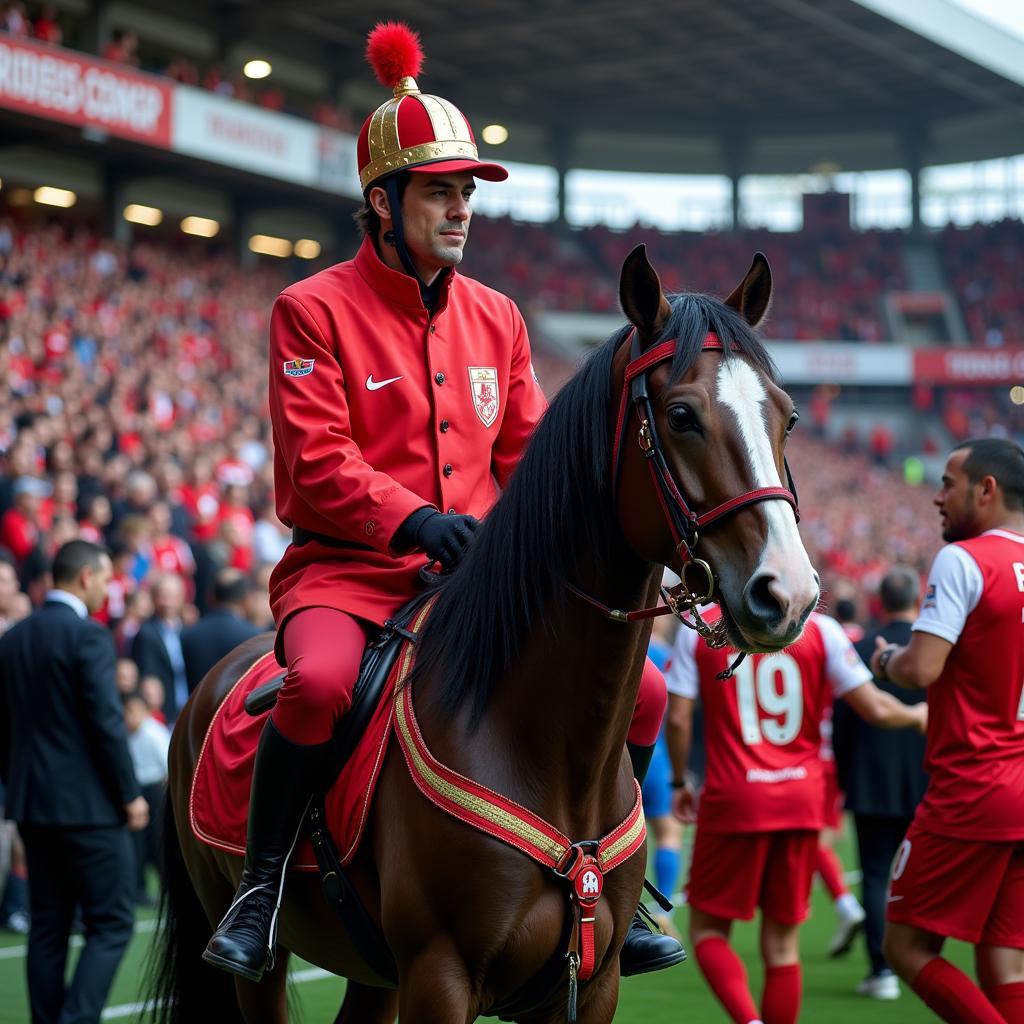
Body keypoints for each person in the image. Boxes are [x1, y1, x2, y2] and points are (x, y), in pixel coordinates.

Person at [203, 21, 681, 982]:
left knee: (654, 685)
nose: (460, 208)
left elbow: (528, 455)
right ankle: (260, 889)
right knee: (324, 684)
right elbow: (317, 459)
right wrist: (416, 520)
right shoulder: (311, 308)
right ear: (383, 202)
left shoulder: (499, 315)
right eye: (440, 191)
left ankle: (613, 892)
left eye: (467, 191)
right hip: (350, 574)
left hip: (477, 581)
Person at [667, 608, 926, 1024]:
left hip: (735, 797)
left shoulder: (701, 625)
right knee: (783, 947)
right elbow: (875, 708)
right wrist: (917, 716)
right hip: (800, 799)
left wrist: (680, 782)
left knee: (709, 931)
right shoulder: (822, 629)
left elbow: (678, 717)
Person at [877, 439, 1024, 1024]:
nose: (937, 498)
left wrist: (886, 660)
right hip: (1021, 784)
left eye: (947, 483)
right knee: (1006, 964)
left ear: (985, 490)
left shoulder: (965, 560)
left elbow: (922, 668)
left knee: (906, 948)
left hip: (973, 786)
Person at [0, 539, 149, 1024]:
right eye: (106, 578)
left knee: (48, 927)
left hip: (32, 804)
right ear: (86, 577)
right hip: (89, 809)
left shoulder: (14, 637)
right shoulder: (88, 636)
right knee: (113, 923)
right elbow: (105, 722)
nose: (108, 588)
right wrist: (130, 793)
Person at [830, 564, 928, 1000]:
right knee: (923, 874)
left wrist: (845, 775)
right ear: (916, 599)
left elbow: (842, 724)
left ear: (882, 602)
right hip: (930, 782)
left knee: (874, 874)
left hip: (871, 782)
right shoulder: (937, 650)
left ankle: (882, 968)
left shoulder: (863, 647)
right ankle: (923, 964)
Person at [123, 691, 170, 905]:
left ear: (143, 712)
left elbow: (168, 765)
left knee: (158, 841)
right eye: (127, 712)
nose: (129, 717)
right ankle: (138, 890)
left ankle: (167, 888)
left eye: (133, 712)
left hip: (156, 788)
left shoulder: (154, 733)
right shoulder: (126, 734)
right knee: (137, 843)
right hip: (137, 790)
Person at [181, 568, 262, 691]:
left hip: (198, 708)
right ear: (247, 600)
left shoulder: (188, 635)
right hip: (237, 708)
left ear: (211, 596)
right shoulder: (254, 637)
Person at [130, 572, 189, 723]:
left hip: (189, 707)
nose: (168, 601)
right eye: (163, 595)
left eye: (173, 595)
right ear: (154, 598)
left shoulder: (189, 630)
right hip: (162, 712)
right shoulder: (145, 633)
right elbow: (146, 673)